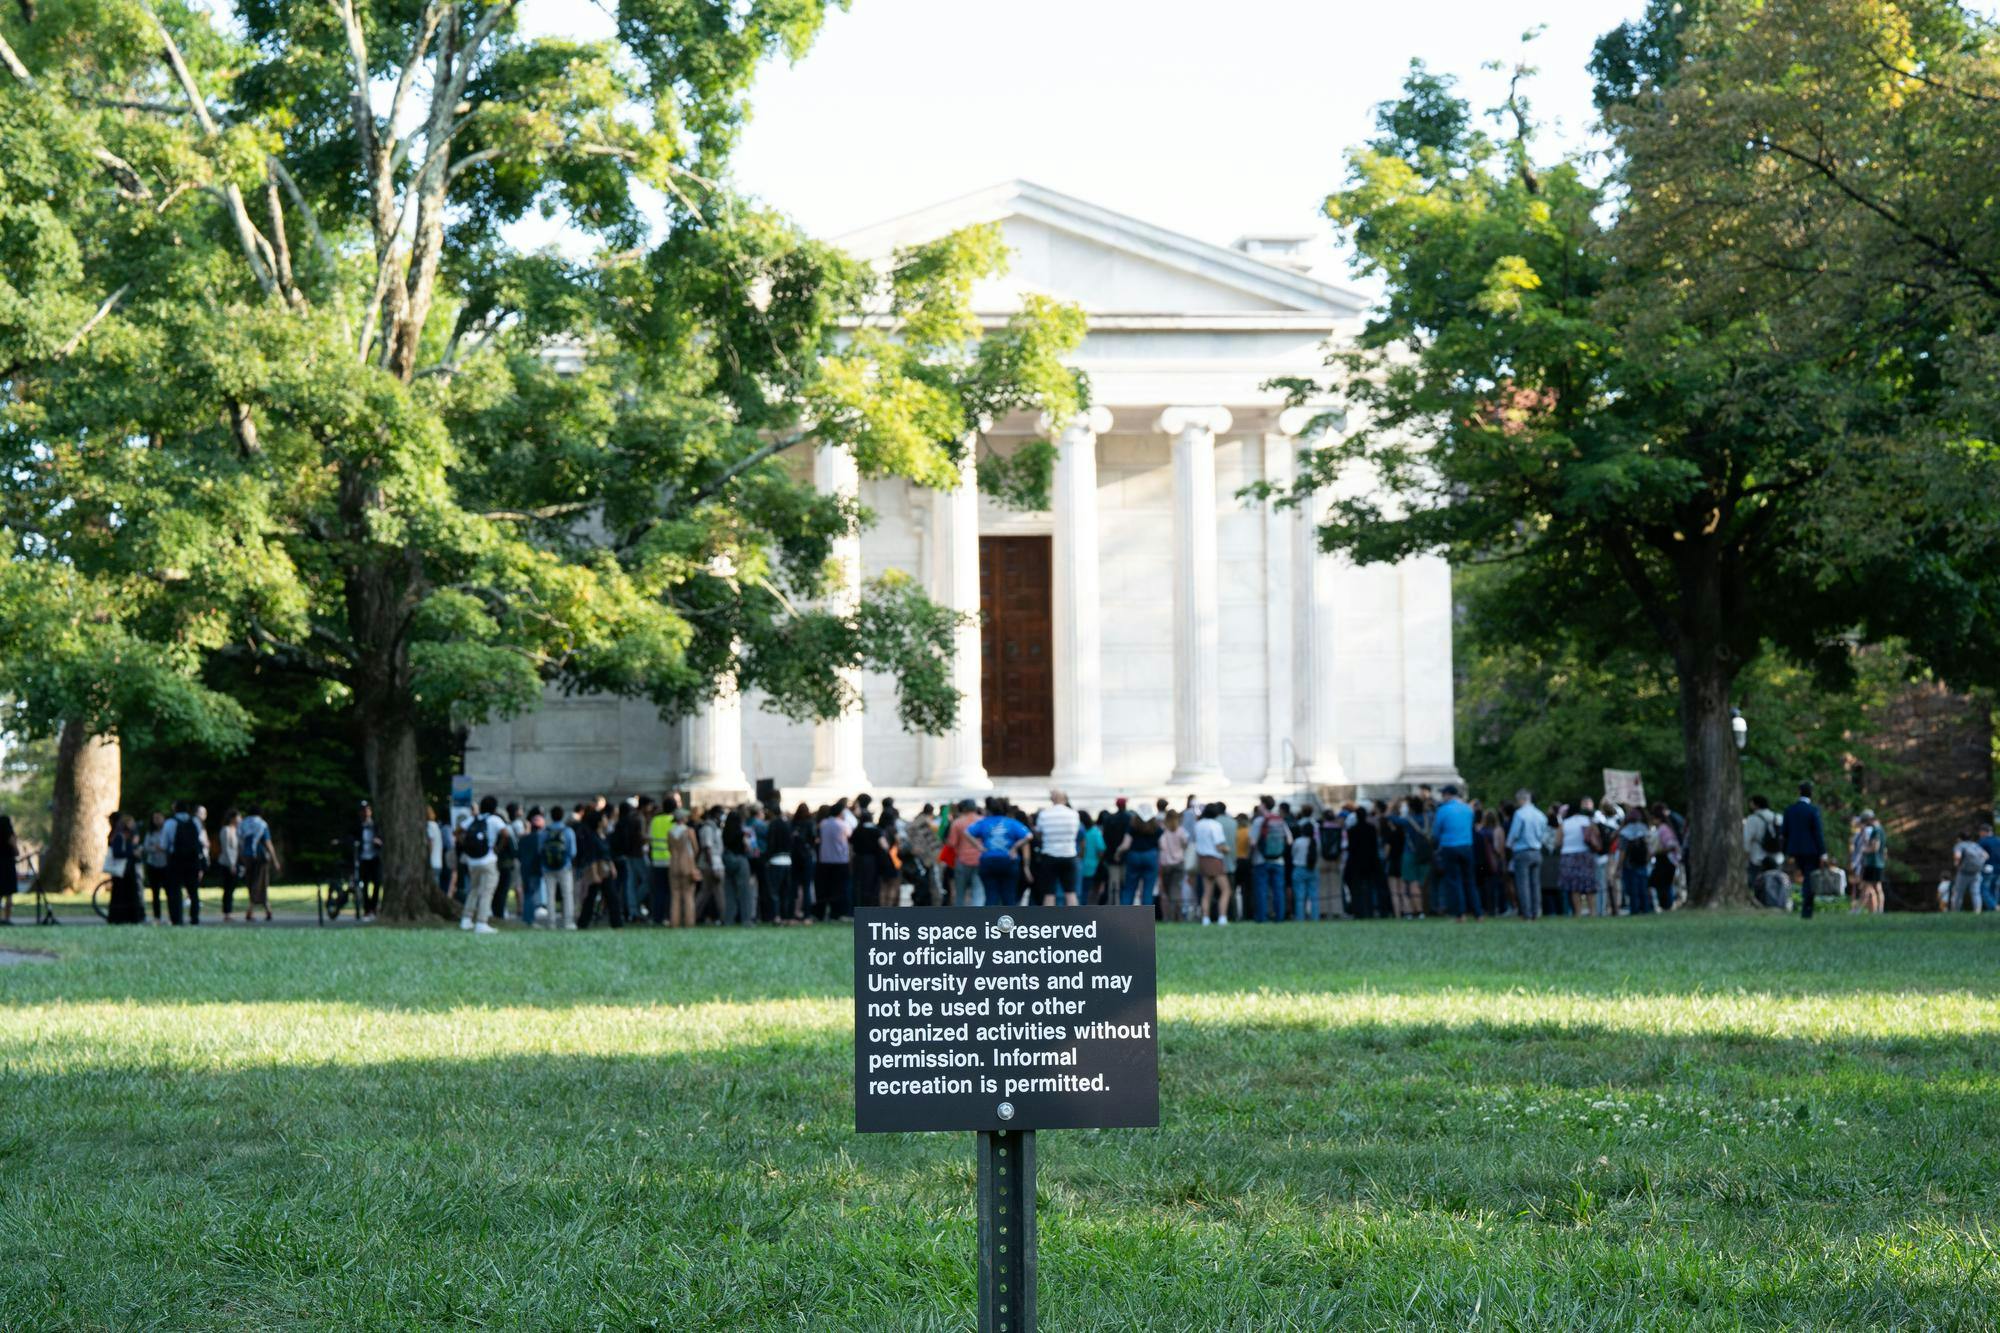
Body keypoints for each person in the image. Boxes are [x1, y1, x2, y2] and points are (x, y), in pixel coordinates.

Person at [456, 795, 510, 934]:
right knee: (487, 891)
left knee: (473, 889)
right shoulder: (494, 820)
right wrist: (497, 848)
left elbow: (457, 832)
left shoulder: (473, 819)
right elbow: (506, 834)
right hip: (488, 860)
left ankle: (466, 919)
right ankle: (481, 921)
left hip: (472, 861)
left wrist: (465, 846)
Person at [967, 798, 1033, 906]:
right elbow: (1029, 836)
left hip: (988, 860)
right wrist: (1015, 847)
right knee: (1009, 896)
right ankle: (1010, 922)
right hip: (1008, 860)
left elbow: (967, 832)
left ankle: (989, 921)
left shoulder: (984, 822)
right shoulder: (1011, 823)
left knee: (990, 896)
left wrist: (979, 846)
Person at [1431, 785, 1480, 922]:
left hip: (1449, 846)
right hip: (1467, 846)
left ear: (1447, 794)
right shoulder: (1467, 809)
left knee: (1454, 881)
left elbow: (1436, 832)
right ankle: (1478, 913)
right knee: (1470, 880)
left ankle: (1460, 914)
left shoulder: (1443, 810)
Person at [1782, 781, 1827, 919]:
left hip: (1795, 850)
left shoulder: (1790, 810)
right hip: (1811, 851)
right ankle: (1807, 909)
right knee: (1809, 878)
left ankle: (1801, 904)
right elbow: (1817, 833)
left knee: (1803, 876)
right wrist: (1823, 852)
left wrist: (1787, 851)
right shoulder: (1812, 811)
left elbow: (1784, 832)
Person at [1036, 790, 1083, 907]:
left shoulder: (1044, 814)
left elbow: (1039, 834)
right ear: (1065, 799)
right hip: (1069, 855)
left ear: (1052, 799)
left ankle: (1048, 923)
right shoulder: (1074, 814)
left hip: (1049, 856)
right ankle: (1075, 922)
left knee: (1049, 893)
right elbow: (1076, 833)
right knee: (1071, 893)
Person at [1247, 796, 1288, 923]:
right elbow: (1289, 839)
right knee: (1278, 890)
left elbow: (1253, 842)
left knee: (1262, 890)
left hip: (1261, 860)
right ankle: (1279, 917)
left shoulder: (1259, 821)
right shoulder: (1280, 820)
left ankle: (1262, 917)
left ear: (1263, 805)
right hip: (1279, 860)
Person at [164, 800, 206, 926]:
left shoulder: (170, 823)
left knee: (175, 890)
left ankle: (176, 918)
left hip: (176, 860)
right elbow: (199, 842)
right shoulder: (195, 822)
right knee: (193, 891)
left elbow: (165, 843)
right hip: (192, 861)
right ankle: (194, 918)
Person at [104, 811, 146, 924]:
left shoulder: (129, 837)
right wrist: (132, 853)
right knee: (121, 895)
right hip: (122, 872)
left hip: (128, 870)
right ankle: (121, 917)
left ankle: (130, 917)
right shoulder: (119, 836)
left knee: (128, 894)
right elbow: (117, 853)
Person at [1192, 802, 1231, 926]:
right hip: (1214, 859)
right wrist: (1227, 850)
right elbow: (1219, 845)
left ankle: (1205, 918)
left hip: (1202, 859)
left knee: (1207, 892)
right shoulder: (1215, 825)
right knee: (1226, 890)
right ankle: (1222, 917)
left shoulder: (1198, 825)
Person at [538, 807, 577, 929]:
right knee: (567, 894)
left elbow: (540, 850)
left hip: (547, 867)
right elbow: (573, 852)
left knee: (550, 894)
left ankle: (551, 922)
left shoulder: (544, 831)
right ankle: (568, 922)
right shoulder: (568, 831)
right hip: (565, 867)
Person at [238, 807, 277, 923]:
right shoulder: (262, 824)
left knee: (251, 882)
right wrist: (275, 859)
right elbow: (267, 842)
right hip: (260, 856)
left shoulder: (243, 824)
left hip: (246, 856)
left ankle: (266, 909)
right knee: (261, 882)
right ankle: (254, 910)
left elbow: (240, 841)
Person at [815, 801, 852, 921]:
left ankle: (821, 912)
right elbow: (850, 835)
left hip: (825, 860)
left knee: (825, 888)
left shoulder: (823, 823)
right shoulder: (843, 825)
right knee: (839, 889)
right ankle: (836, 913)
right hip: (840, 860)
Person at [1119, 809, 1162, 908]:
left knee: (1129, 888)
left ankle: (1123, 915)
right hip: (1151, 856)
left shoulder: (1132, 827)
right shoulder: (1156, 828)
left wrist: (1118, 852)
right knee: (1148, 890)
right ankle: (1146, 919)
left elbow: (1126, 845)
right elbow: (1162, 845)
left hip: (1134, 857)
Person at [719, 810, 756, 924]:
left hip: (727, 860)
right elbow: (748, 848)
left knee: (729, 892)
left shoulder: (724, 832)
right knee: (745, 891)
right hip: (740, 861)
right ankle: (746, 919)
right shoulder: (742, 833)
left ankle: (728, 919)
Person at [944, 800, 983, 908]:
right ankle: (977, 918)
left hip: (962, 861)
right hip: (979, 860)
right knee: (978, 892)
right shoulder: (982, 821)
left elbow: (952, 843)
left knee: (960, 893)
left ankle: (959, 920)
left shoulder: (957, 823)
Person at [1744, 795, 1784, 897]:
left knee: (1755, 881)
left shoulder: (1752, 819)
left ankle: (1759, 899)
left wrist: (1745, 853)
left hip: (1757, 856)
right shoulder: (1778, 817)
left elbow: (1746, 839)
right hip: (1777, 856)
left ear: (1755, 805)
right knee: (1776, 881)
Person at [1617, 807, 1655, 914]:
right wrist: (1647, 860)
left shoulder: (1624, 832)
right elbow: (1649, 848)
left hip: (1629, 864)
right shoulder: (1644, 829)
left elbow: (1622, 851)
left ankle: (1634, 910)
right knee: (1643, 887)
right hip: (1642, 863)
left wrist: (1619, 866)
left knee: (1632, 889)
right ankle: (1646, 909)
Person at [1854, 810, 1888, 915]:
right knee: (1877, 887)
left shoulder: (1876, 831)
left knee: (1866, 886)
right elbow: (1884, 850)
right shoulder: (1881, 830)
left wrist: (1864, 850)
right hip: (1879, 863)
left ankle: (1857, 911)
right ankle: (1879, 910)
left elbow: (1875, 847)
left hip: (1873, 862)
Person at [1157, 811, 1189, 922]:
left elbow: (1160, 846)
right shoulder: (1181, 831)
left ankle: (1169, 916)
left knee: (1166, 891)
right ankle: (1178, 916)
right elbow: (1186, 844)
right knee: (1176, 890)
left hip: (1165, 864)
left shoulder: (1163, 831)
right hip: (1179, 863)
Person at [354, 800, 383, 920]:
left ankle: (374, 908)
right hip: (363, 859)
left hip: (374, 858)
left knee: (377, 882)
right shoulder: (358, 826)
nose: (365, 813)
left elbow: (383, 838)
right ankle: (367, 910)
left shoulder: (376, 826)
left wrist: (379, 842)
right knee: (364, 885)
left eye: (367, 810)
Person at [1288, 813, 1319, 921]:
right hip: (1313, 870)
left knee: (1300, 897)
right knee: (1314, 896)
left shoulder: (1298, 841)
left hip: (1299, 869)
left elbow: (1293, 854)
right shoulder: (1315, 842)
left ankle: (1300, 918)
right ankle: (1315, 918)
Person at [1947, 829, 1987, 913]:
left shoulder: (1960, 845)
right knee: (1976, 892)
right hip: (1976, 872)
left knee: (1958, 893)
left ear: (1959, 838)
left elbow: (1957, 856)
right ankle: (1977, 911)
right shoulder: (1975, 845)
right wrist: (1980, 864)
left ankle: (1955, 911)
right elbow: (1986, 855)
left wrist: (1956, 864)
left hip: (1964, 873)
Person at [1976, 821, 2000, 914]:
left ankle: (1994, 906)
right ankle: (1994, 908)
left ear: (1983, 832)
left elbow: (1978, 854)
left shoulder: (1983, 841)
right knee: (1994, 889)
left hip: (1988, 868)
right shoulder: (1998, 840)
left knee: (1983, 888)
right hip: (1999, 869)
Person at [0, 816, 17, 926]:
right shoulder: (5, 822)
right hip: (7, 861)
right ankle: (7, 918)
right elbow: (12, 839)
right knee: (9, 893)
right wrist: (16, 850)